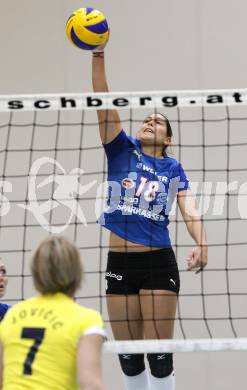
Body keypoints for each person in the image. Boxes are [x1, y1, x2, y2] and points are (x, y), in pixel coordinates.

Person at [91, 39, 208, 390]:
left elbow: (188, 207)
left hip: (158, 262)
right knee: (128, 356)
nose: (149, 122)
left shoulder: (173, 167)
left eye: (157, 122)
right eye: (146, 119)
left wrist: (201, 242)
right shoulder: (120, 150)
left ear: (168, 139)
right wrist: (98, 56)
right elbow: (103, 102)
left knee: (159, 355)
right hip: (119, 262)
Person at [0, 236, 106, 390]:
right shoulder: (86, 319)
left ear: (36, 273)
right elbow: (90, 385)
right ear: (78, 273)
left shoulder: (12, 315)